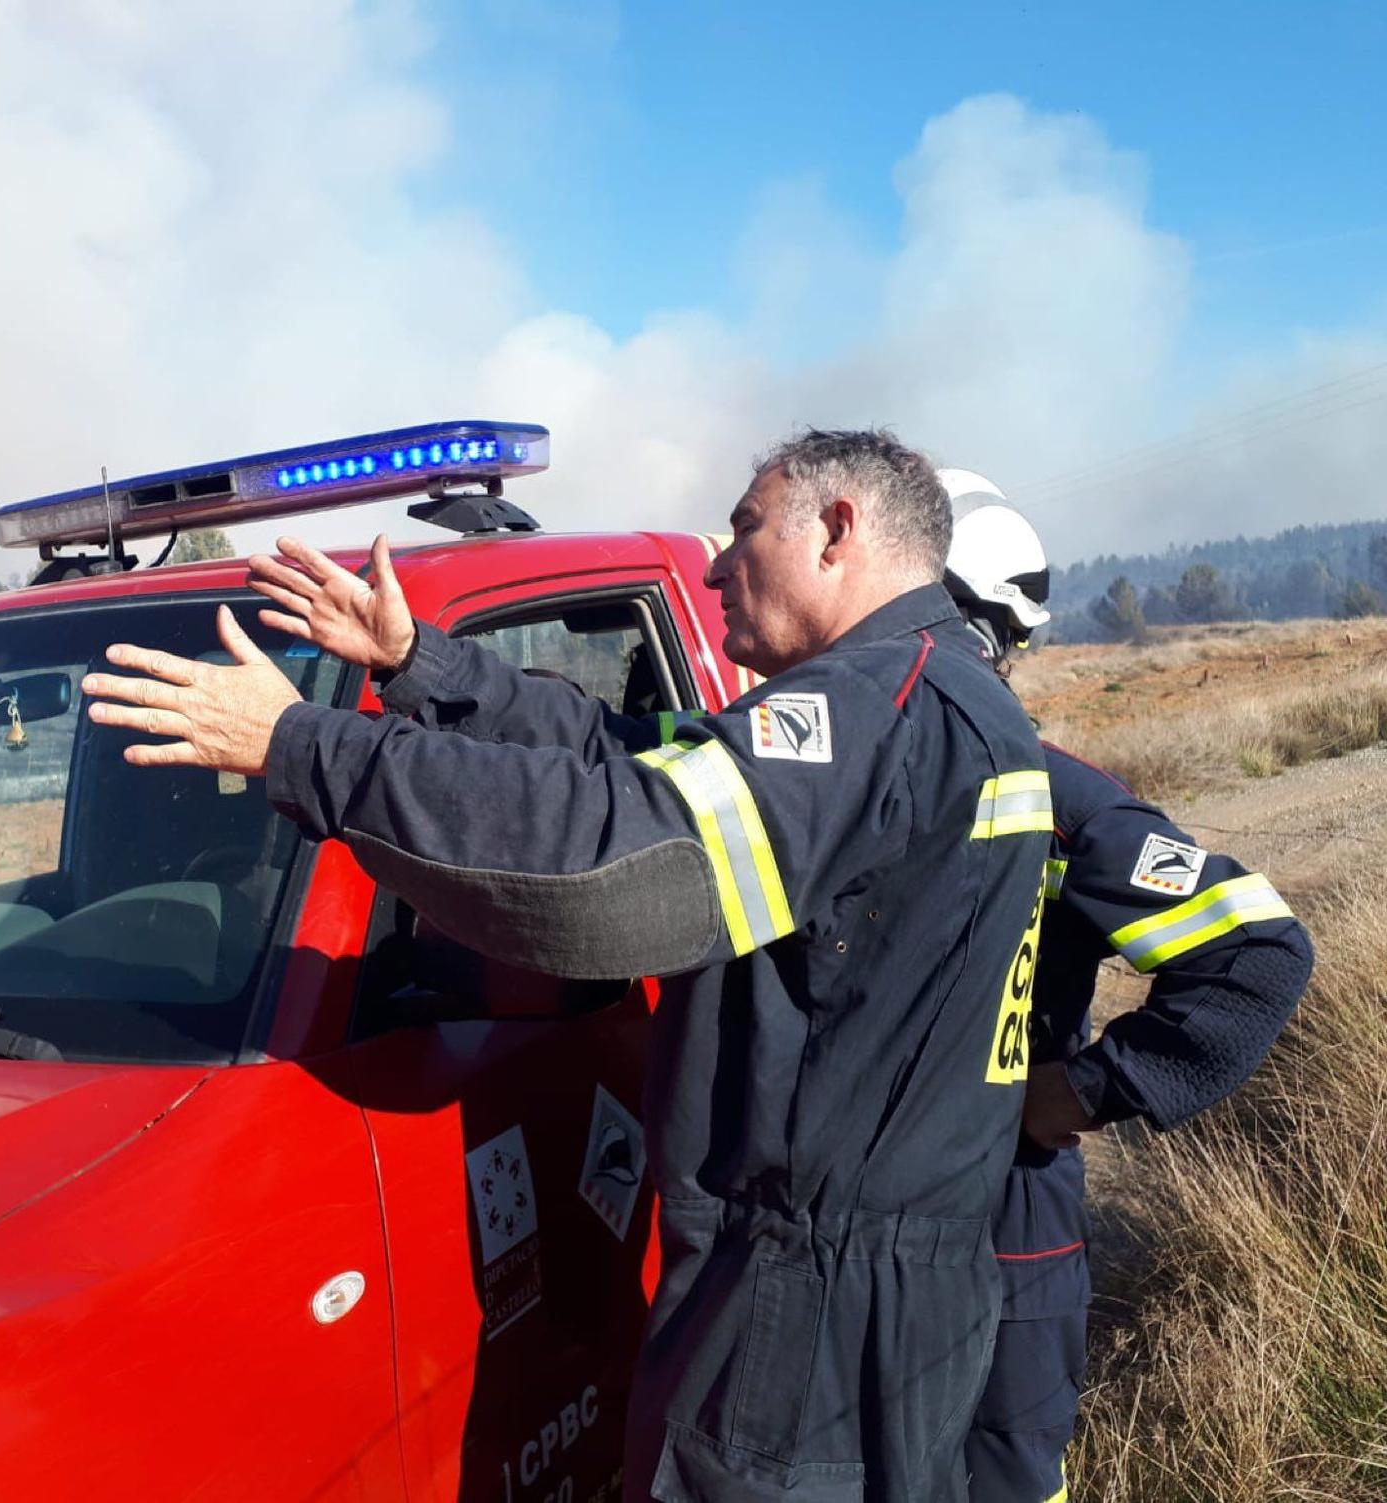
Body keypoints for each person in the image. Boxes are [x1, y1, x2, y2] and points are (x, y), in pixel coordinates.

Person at [85, 429, 1050, 1501]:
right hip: (872, 1273)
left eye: (742, 529)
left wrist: (305, 748)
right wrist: (419, 668)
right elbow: (623, 754)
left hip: (805, 1300)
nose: (720, 564)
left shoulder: (867, 712)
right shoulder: (926, 695)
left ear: (836, 529)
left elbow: (613, 861)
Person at [937, 474, 1314, 1503]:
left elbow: (1256, 953)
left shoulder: (1056, 799)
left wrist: (1088, 1088)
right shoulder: (848, 774)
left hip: (1007, 1229)